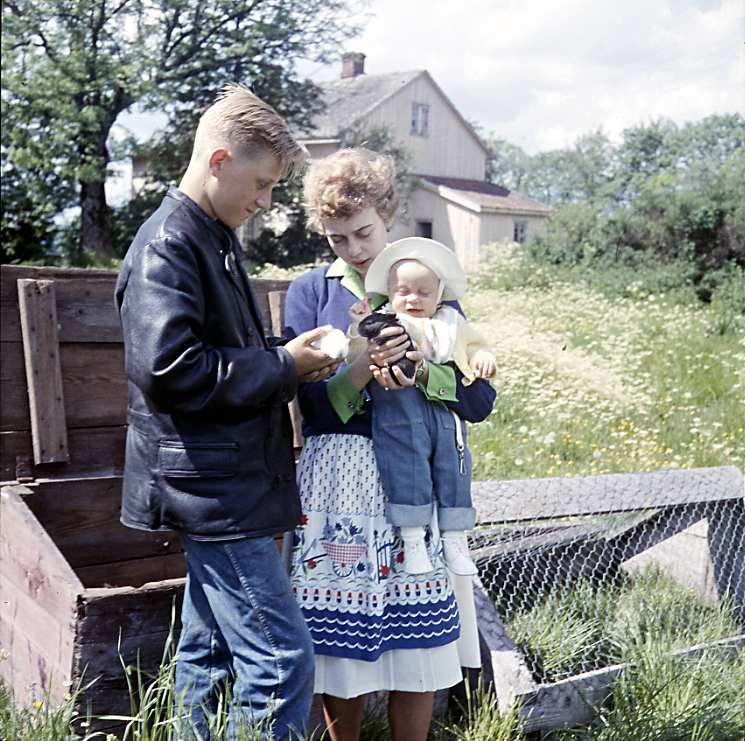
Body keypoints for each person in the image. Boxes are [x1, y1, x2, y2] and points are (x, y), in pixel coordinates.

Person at [115, 83, 339, 741]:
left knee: (207, 653)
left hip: (222, 481)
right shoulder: (169, 246)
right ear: (218, 160)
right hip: (210, 489)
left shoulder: (208, 237)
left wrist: (287, 355)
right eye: (263, 182)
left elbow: (221, 353)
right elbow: (171, 369)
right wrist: (284, 367)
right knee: (281, 660)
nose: (266, 201)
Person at [284, 148, 496, 741]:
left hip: (418, 480)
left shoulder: (425, 290)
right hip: (340, 478)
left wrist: (422, 373)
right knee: (341, 649)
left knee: (420, 647)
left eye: (364, 232)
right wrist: (359, 368)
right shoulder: (310, 293)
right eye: (336, 239)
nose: (354, 250)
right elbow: (312, 409)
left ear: (388, 214)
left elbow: (479, 403)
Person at [346, 237, 497, 576]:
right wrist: (360, 327)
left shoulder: (451, 325)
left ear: (440, 295)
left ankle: (455, 541)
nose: (412, 299)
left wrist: (484, 358)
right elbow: (356, 354)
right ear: (389, 292)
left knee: (454, 472)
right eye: (403, 292)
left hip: (446, 419)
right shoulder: (384, 320)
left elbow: (476, 348)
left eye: (424, 293)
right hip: (400, 416)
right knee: (406, 473)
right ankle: (413, 542)